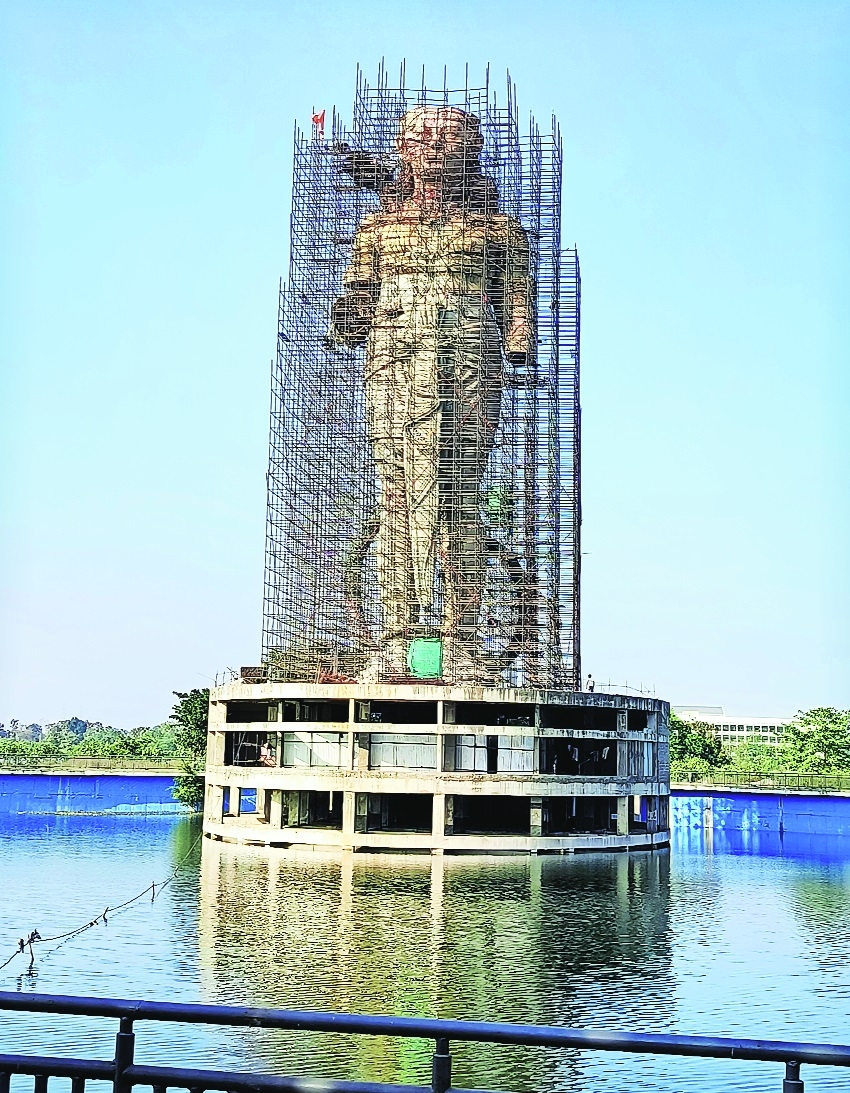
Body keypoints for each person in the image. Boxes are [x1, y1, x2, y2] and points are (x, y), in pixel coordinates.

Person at [331, 105, 533, 683]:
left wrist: (519, 342)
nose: (435, 147)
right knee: (397, 496)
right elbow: (355, 300)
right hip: (395, 365)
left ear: (471, 151)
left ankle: (461, 641)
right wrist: (346, 319)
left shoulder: (498, 230)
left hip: (469, 363)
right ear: (402, 150)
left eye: (449, 138)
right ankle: (398, 638)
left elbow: (516, 299)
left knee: (461, 501)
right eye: (421, 137)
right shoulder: (376, 229)